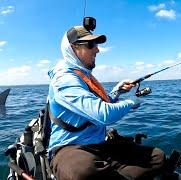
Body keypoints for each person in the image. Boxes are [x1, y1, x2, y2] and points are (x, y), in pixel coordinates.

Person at [47, 25, 166, 180]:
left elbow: (99, 103)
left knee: (157, 157)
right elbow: (103, 114)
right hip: (70, 147)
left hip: (100, 144)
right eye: (91, 45)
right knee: (84, 172)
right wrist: (131, 102)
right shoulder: (64, 79)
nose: (97, 50)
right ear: (73, 48)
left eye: (96, 45)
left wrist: (118, 91)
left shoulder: (84, 76)